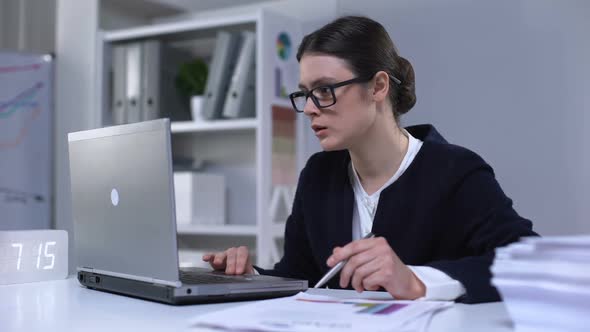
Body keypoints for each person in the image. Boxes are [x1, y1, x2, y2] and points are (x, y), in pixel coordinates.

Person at [202, 15, 537, 304]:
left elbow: (528, 264)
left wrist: (417, 281)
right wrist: (251, 277)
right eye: (305, 93)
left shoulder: (455, 171)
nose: (309, 108)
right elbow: (300, 275)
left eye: (325, 90)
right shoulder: (318, 174)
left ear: (378, 87)